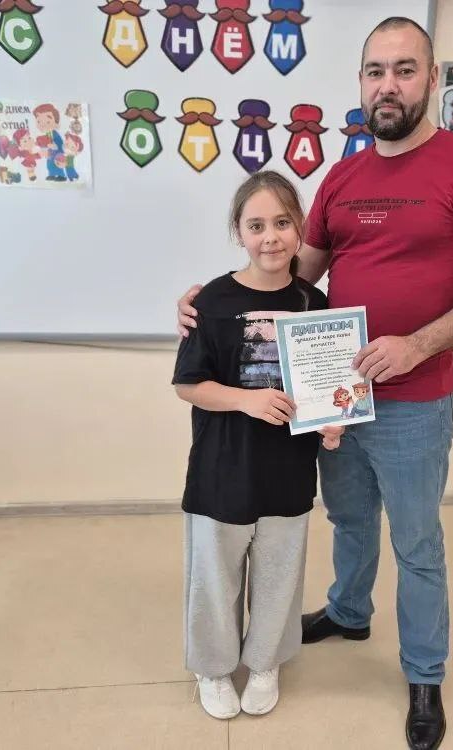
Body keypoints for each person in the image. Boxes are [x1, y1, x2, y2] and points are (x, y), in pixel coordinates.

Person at [178, 17, 453, 749]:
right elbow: (290, 277)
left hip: (416, 402)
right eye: (375, 71)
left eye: (404, 69)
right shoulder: (343, 175)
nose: (387, 85)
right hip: (333, 395)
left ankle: (424, 673)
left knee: (417, 542)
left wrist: (417, 345)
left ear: (433, 79)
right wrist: (210, 298)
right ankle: (348, 610)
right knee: (348, 520)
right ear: (361, 83)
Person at [172, 170, 345, 721]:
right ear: (239, 233)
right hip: (221, 472)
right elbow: (187, 385)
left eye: (282, 223)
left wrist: (334, 422)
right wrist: (246, 401)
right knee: (215, 578)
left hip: (288, 472)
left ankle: (266, 661)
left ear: (299, 229)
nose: (270, 237)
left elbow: (328, 387)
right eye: (256, 225)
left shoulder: (316, 304)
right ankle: (212, 667)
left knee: (278, 577)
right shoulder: (211, 301)